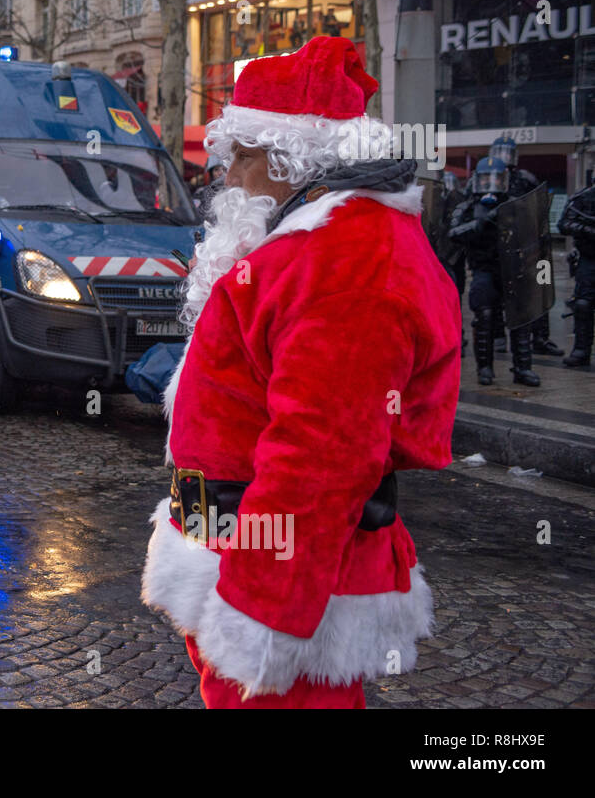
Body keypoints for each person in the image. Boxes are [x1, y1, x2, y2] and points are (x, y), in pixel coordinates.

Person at [140, 36, 460, 709]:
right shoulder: (321, 241)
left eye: (242, 157)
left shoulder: (350, 263)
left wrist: (260, 617)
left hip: (272, 590)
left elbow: (322, 458)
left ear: (291, 156)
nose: (229, 179)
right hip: (232, 548)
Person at [449, 156, 540, 387]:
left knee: (521, 319)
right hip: (484, 270)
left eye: (496, 178)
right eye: (486, 178)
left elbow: (534, 234)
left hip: (513, 270)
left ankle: (522, 368)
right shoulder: (468, 206)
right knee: (485, 318)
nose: (491, 183)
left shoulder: (515, 204)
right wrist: (482, 223)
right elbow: (453, 233)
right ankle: (485, 367)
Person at [489, 136, 563, 356]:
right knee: (494, 293)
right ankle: (498, 337)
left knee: (537, 290)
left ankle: (540, 338)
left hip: (526, 243)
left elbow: (537, 206)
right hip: (497, 244)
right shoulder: (486, 176)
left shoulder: (525, 178)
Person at [557, 182, 595, 368]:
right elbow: (563, 224)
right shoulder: (584, 197)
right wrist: (587, 230)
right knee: (583, 304)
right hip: (589, 258)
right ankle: (581, 350)